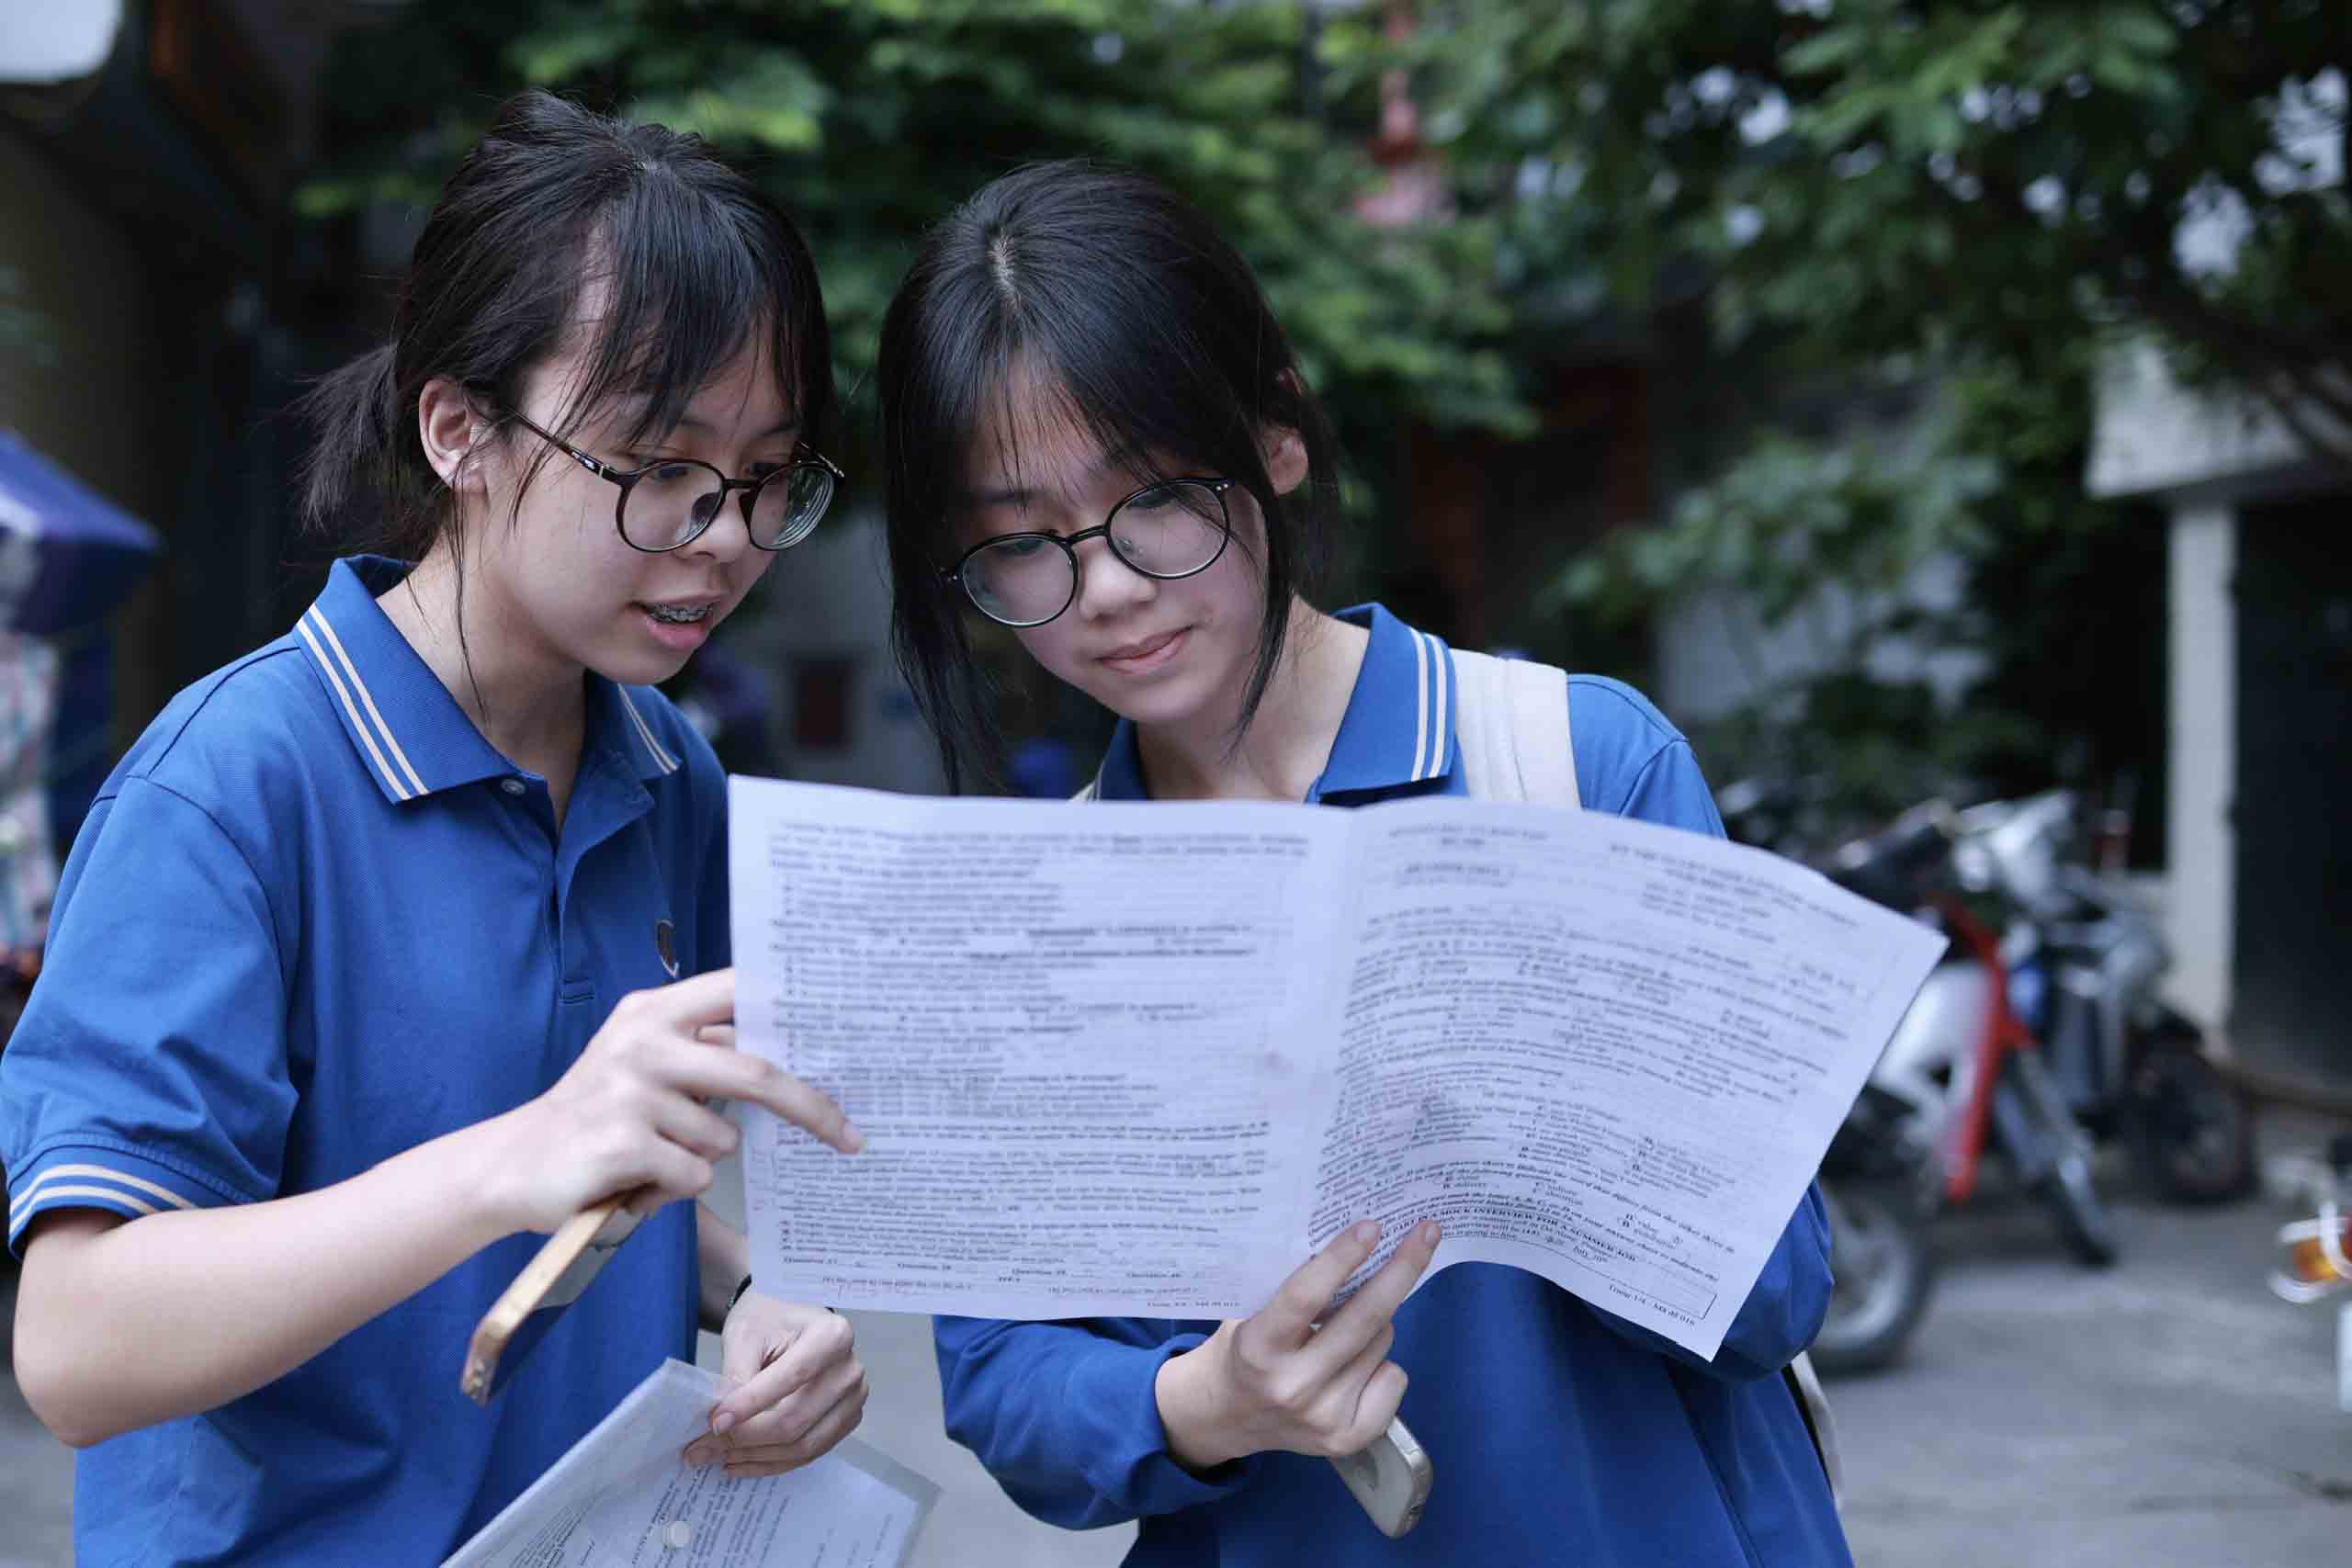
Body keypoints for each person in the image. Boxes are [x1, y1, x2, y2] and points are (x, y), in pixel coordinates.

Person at [876, 162, 1849, 1567]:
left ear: (1275, 433)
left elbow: (1780, 1294)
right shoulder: (1034, 921)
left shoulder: (1576, 769)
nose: (1107, 588)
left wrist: (1546, 1097)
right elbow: (1004, 1381)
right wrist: (1202, 1402)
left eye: (1156, 496)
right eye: (1020, 540)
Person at [1, 91, 867, 1565]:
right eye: (659, 467)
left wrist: (749, 1291)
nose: (723, 535)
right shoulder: (229, 788)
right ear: (460, 429)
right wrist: (507, 1160)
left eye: (765, 478)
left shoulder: (666, 773)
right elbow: (78, 1343)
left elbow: (598, 1182)